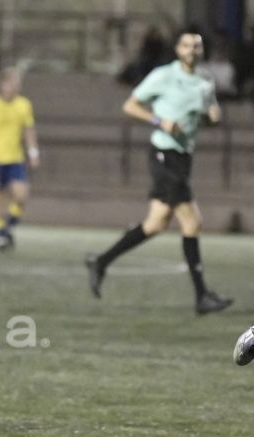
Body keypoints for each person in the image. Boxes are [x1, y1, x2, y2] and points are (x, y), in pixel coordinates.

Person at [85, 31, 233, 315]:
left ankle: (101, 262)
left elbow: (210, 113)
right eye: (187, 45)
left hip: (184, 156)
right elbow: (130, 105)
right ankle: (202, 296)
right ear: (178, 49)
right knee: (192, 222)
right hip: (164, 154)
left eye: (197, 46)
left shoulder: (205, 80)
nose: (192, 50)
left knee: (155, 224)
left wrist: (213, 117)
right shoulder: (164, 76)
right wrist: (158, 120)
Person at [0, 67, 40, 251]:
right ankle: (0, 234)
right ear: (3, 84)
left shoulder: (24, 105)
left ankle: (6, 229)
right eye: (11, 83)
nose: (14, 87)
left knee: (21, 195)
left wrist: (33, 153)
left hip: (15, 158)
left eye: (17, 84)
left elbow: (28, 131)